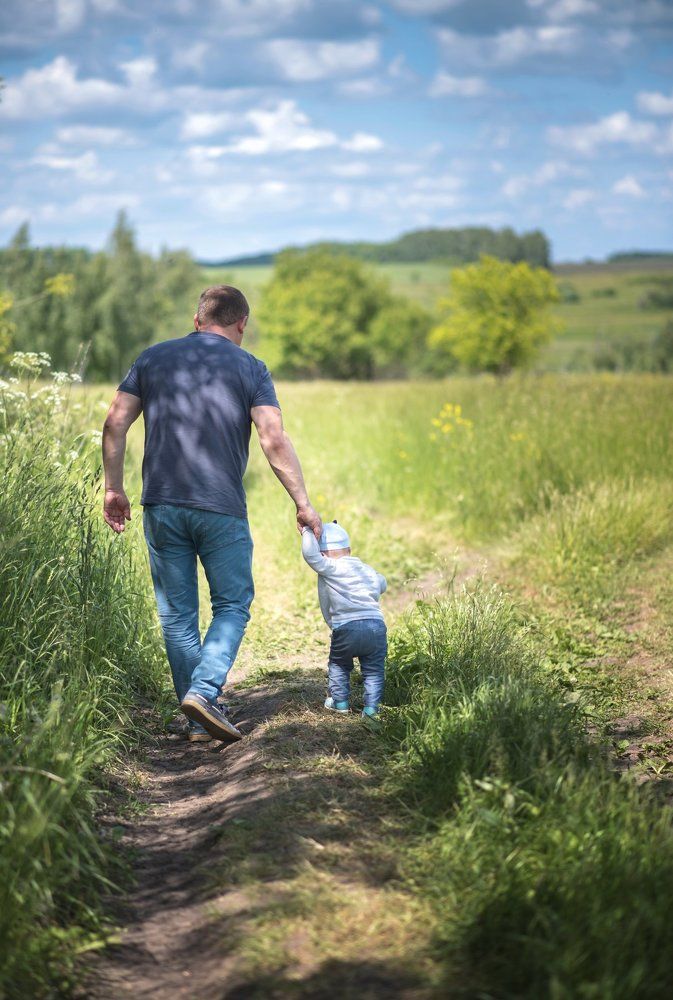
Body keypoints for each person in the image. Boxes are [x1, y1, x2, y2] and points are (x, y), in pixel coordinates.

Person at [102, 284, 322, 744]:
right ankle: (203, 694)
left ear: (197, 319)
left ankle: (196, 719)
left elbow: (115, 422)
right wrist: (302, 503)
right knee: (232, 604)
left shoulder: (152, 358)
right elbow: (273, 438)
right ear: (242, 323)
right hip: (220, 507)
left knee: (177, 615)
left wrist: (113, 488)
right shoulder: (251, 367)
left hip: (162, 505)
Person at [301, 520, 387, 722]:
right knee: (374, 670)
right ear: (348, 550)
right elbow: (382, 583)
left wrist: (307, 530)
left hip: (346, 628)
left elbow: (310, 555)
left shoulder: (330, 567)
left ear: (323, 554)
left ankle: (340, 703)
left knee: (339, 664)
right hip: (376, 626)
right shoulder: (366, 570)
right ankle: (371, 710)